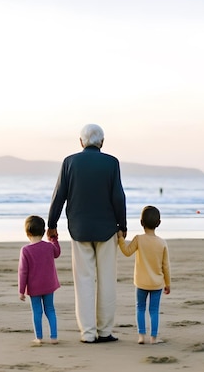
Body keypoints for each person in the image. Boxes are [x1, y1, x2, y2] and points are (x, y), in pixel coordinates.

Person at [47, 124, 127, 344]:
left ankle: (88, 333)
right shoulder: (112, 163)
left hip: (79, 229)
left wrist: (51, 223)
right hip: (108, 228)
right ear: (102, 142)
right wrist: (123, 224)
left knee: (83, 280)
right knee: (107, 280)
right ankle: (104, 331)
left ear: (81, 141)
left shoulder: (69, 162)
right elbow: (118, 196)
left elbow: (59, 195)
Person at [117, 205, 171, 345]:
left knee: (140, 308)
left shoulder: (138, 239)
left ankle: (141, 336)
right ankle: (153, 337)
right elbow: (166, 266)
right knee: (154, 310)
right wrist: (168, 283)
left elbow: (127, 252)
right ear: (159, 223)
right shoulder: (162, 243)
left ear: (141, 222)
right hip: (157, 283)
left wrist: (120, 239)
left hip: (141, 282)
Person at [18, 215, 61, 346]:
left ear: (27, 233)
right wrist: (53, 238)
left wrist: (21, 291)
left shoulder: (26, 250)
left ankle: (39, 337)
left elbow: (22, 271)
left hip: (34, 287)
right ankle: (54, 337)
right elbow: (57, 252)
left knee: (37, 311)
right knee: (50, 309)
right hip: (49, 285)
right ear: (43, 232)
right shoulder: (49, 247)